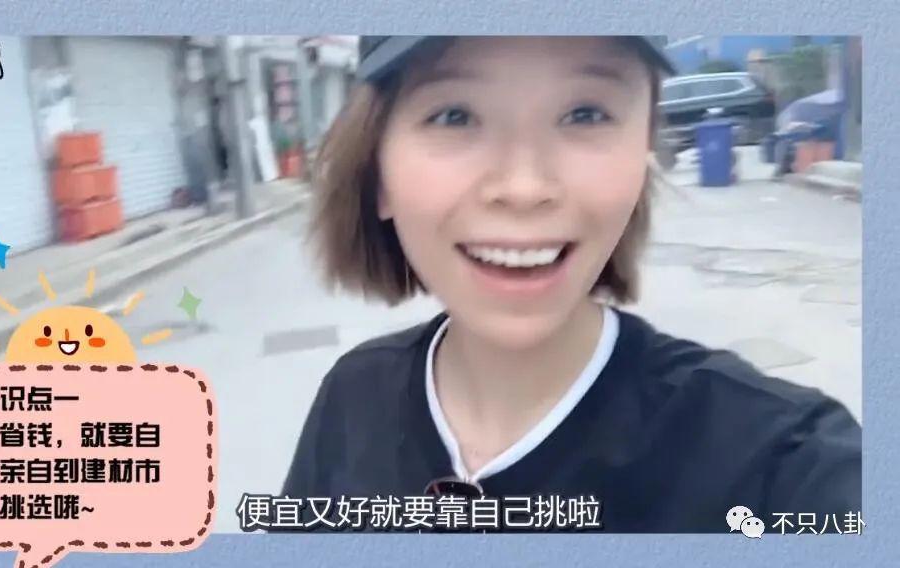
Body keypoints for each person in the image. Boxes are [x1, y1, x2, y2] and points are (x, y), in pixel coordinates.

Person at [278, 36, 861, 533]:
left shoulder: (779, 464)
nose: (524, 188)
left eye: (585, 113)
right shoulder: (353, 398)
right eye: (454, 115)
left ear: (644, 153)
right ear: (378, 171)